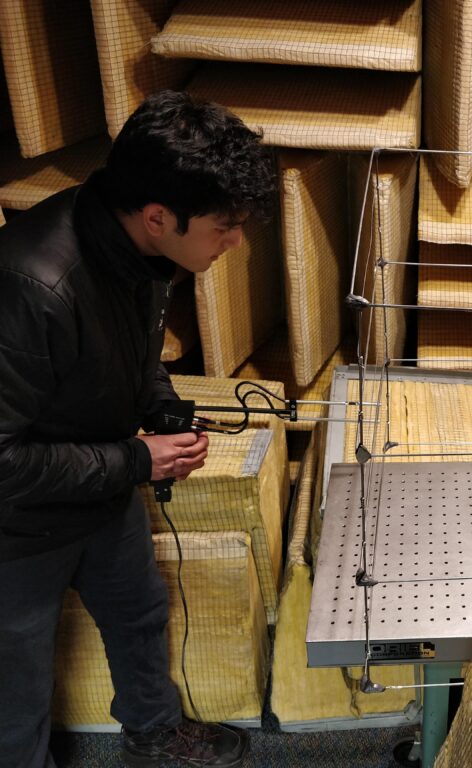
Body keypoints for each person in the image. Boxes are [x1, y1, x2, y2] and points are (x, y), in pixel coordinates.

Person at [0, 91, 276, 767]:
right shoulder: (31, 286)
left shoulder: (150, 256)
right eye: (225, 224)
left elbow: (134, 356)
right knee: (15, 694)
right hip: (15, 530)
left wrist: (164, 406)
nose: (235, 240)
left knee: (140, 620)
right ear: (158, 217)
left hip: (104, 498)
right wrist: (135, 460)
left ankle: (154, 733)